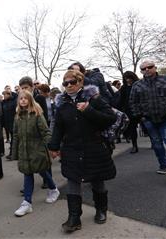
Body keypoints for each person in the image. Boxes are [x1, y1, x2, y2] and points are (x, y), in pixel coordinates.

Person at [48, 70, 117, 233]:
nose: (69, 86)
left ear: (80, 82)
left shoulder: (93, 99)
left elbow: (110, 118)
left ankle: (101, 210)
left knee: (97, 179)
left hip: (94, 146)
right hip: (71, 148)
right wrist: (53, 146)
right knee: (73, 180)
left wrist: (88, 110)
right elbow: (58, 127)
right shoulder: (62, 104)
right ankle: (74, 217)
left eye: (73, 82)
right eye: (66, 83)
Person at [12, 90, 59, 217]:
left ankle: (53, 189)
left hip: (37, 150)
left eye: (25, 98)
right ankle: (27, 203)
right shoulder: (17, 116)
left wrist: (52, 148)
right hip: (24, 151)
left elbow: (46, 132)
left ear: (30, 100)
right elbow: (15, 135)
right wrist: (14, 152)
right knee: (27, 174)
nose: (23, 100)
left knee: (43, 171)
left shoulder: (37, 114)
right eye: (21, 98)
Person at [129, 60, 166, 176]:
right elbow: (133, 103)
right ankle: (164, 165)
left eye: (149, 67)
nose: (147, 69)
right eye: (144, 68)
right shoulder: (137, 85)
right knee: (157, 145)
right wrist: (141, 117)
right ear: (141, 71)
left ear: (155, 67)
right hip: (149, 120)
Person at [19, 76, 49, 188]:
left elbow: (44, 115)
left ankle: (47, 180)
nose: (24, 90)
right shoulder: (21, 99)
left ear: (32, 87)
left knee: (42, 159)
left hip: (39, 132)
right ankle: (27, 185)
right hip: (27, 133)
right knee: (28, 160)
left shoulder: (39, 98)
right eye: (22, 88)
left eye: (26, 87)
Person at [118, 71, 140, 153]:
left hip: (140, 109)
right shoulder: (124, 88)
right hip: (129, 111)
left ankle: (154, 142)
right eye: (126, 78)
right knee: (132, 128)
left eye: (129, 78)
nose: (128, 80)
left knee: (147, 127)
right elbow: (121, 100)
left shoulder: (138, 85)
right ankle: (135, 146)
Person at [2, 90, 17, 159]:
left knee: (14, 139)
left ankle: (12, 154)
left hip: (14, 122)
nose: (4, 96)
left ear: (9, 94)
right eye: (3, 95)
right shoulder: (4, 102)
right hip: (7, 124)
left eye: (5, 94)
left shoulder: (14, 101)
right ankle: (13, 153)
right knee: (13, 138)